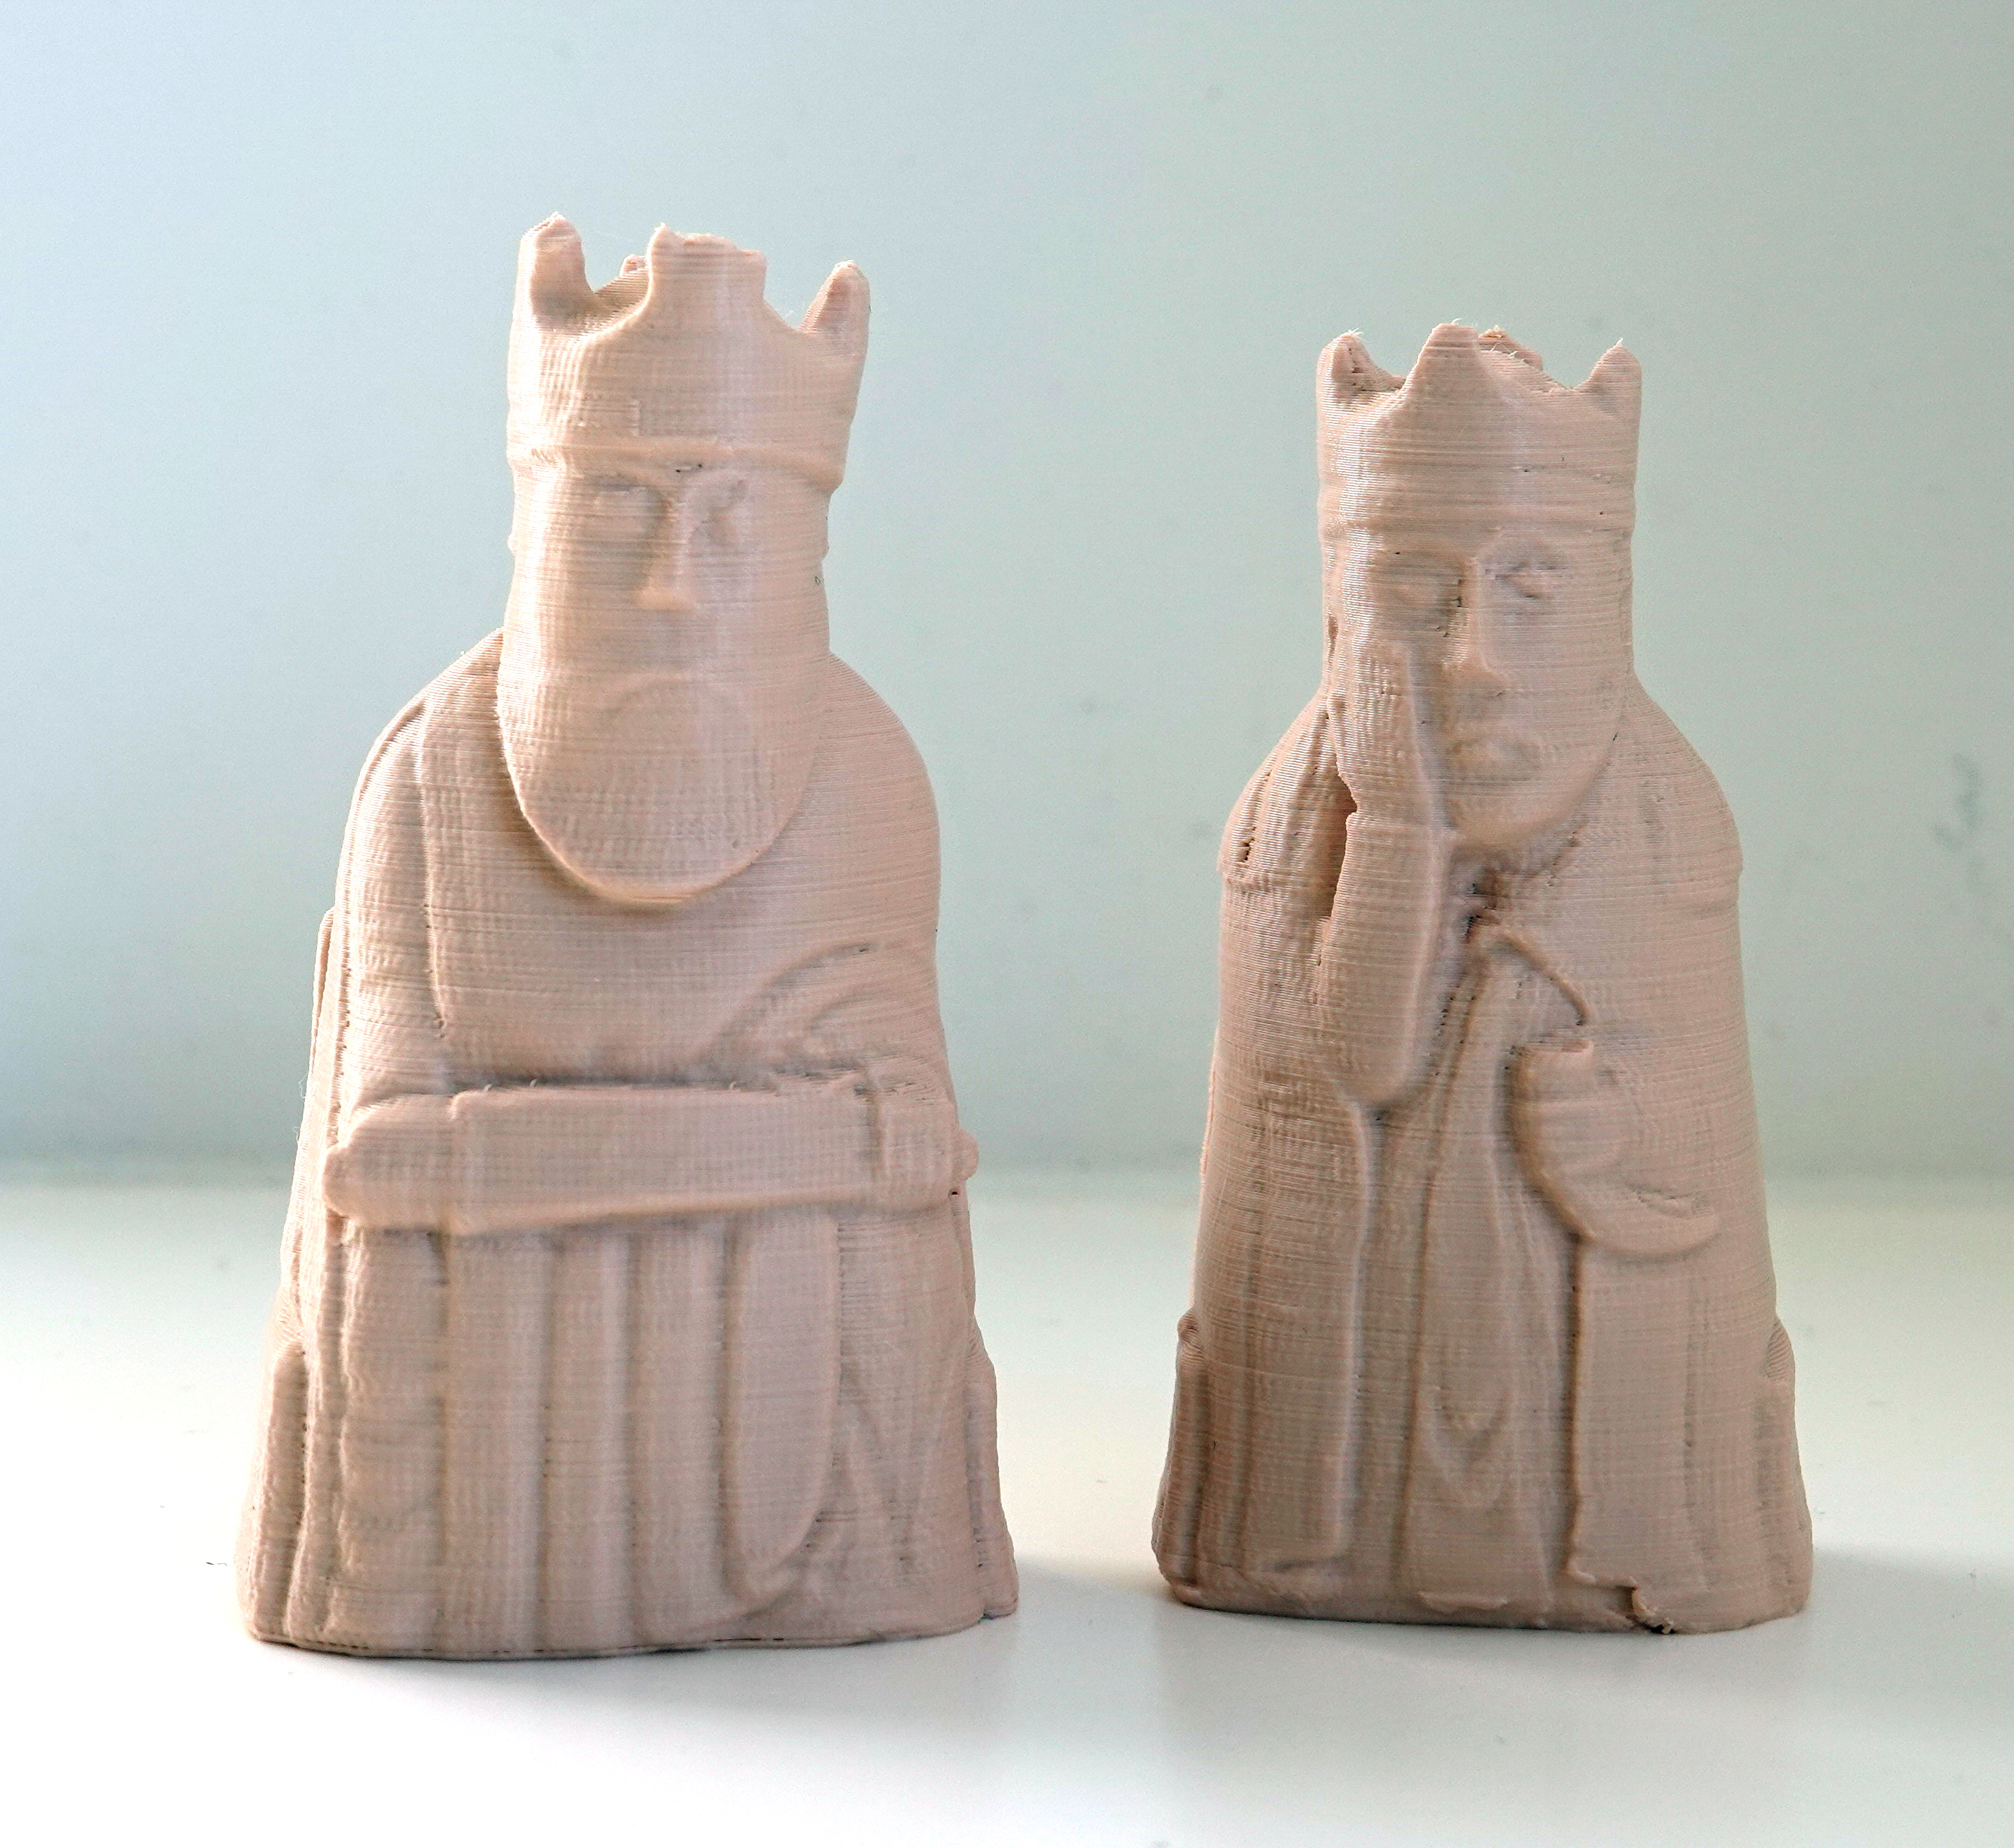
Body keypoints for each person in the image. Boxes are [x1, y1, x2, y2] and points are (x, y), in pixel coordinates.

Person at [240, 220, 1015, 1657]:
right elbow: (378, 1161)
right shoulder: (433, 774)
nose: (673, 576)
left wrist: (544, 1155)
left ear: (811, 538)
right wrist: (800, 1146)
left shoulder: (863, 770)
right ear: (531, 517)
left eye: (736, 516)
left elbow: (914, 1152)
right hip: (482, 1458)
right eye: (616, 504)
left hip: (796, 1452)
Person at [1156, 323, 1810, 1632]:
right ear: (1339, 610)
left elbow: (1694, 1136)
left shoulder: (1664, 831)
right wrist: (1398, 829)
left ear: (1614, 604)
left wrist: (1611, 1137)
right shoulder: (1292, 829)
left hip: (1569, 1381)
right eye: (1413, 591)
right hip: (1367, 1369)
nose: (1474, 658)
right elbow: (1349, 1068)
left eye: (1536, 588)